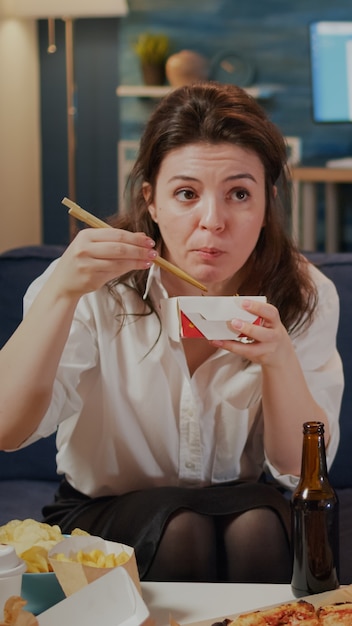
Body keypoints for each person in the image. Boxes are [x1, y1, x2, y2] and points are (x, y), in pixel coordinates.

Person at [0, 82, 343, 583]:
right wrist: (60, 294)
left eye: (239, 194)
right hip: (104, 512)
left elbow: (300, 471)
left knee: (258, 525)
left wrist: (279, 360)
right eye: (186, 193)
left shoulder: (305, 292)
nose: (213, 222)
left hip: (242, 507)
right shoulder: (91, 284)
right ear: (151, 201)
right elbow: (8, 430)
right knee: (181, 528)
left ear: (268, 202)